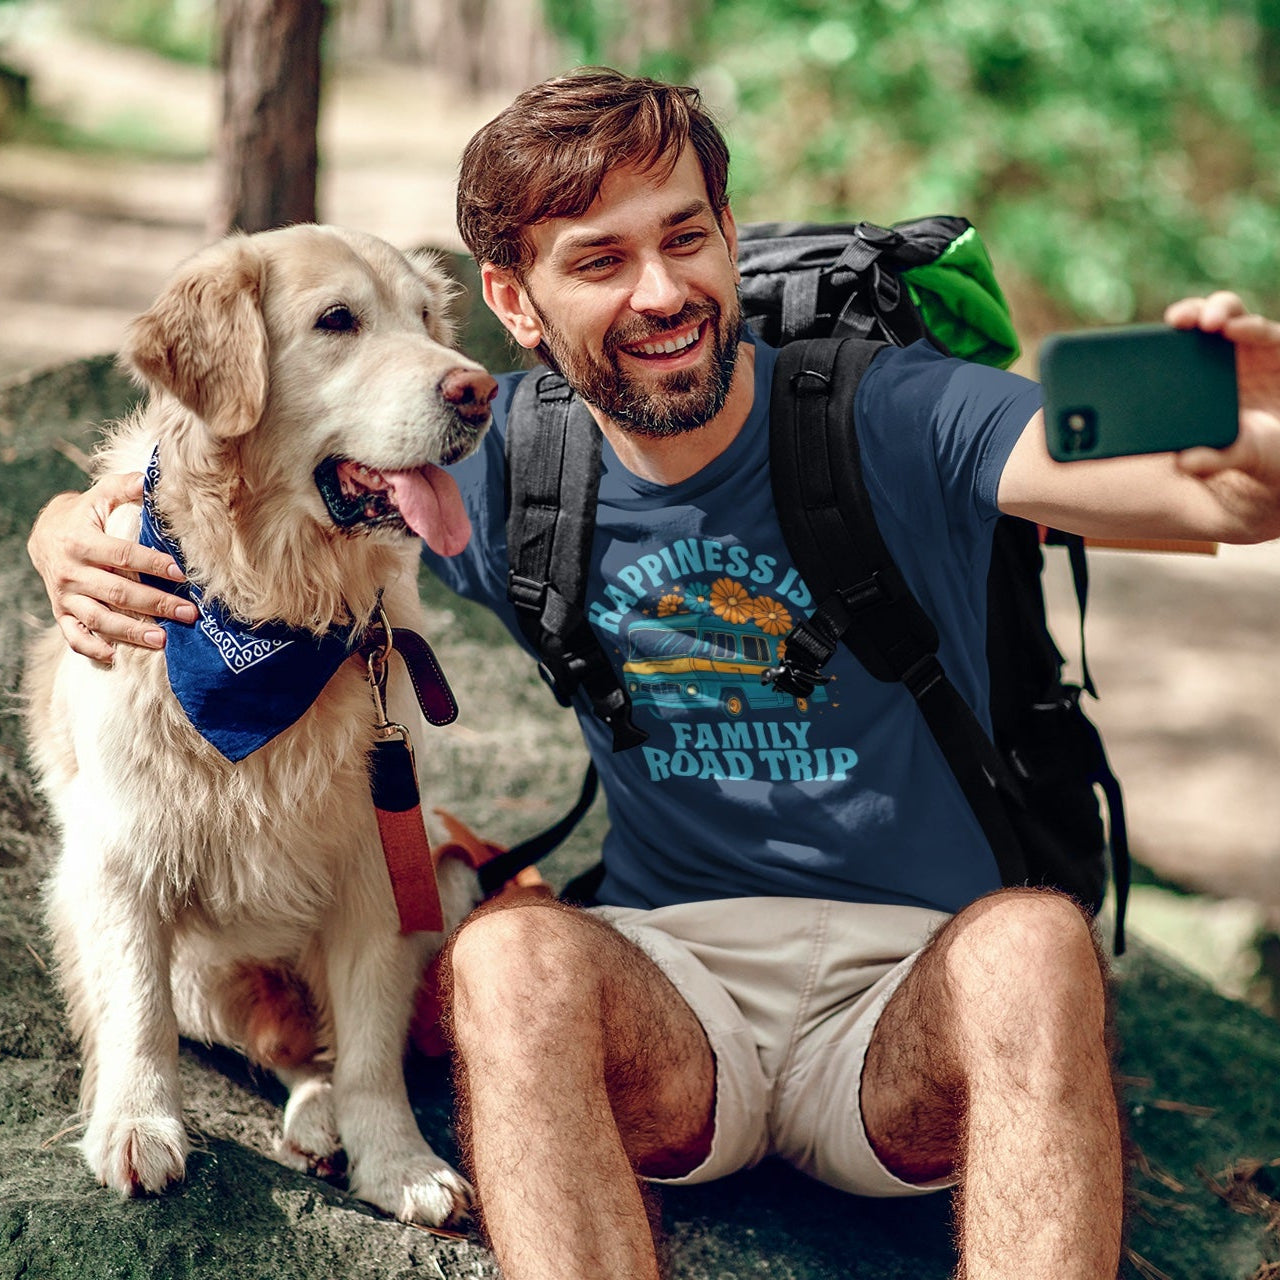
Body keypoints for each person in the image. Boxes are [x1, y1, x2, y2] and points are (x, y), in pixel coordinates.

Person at [26, 68, 1280, 1280]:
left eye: (685, 237)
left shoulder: (887, 411)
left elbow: (1207, 495)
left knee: (1034, 947)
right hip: (674, 999)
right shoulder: (497, 459)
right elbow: (234, 471)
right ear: (515, 305)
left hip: (912, 998)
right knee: (505, 958)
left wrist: (1248, 430)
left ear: (730, 235)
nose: (661, 290)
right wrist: (63, 529)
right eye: (598, 261)